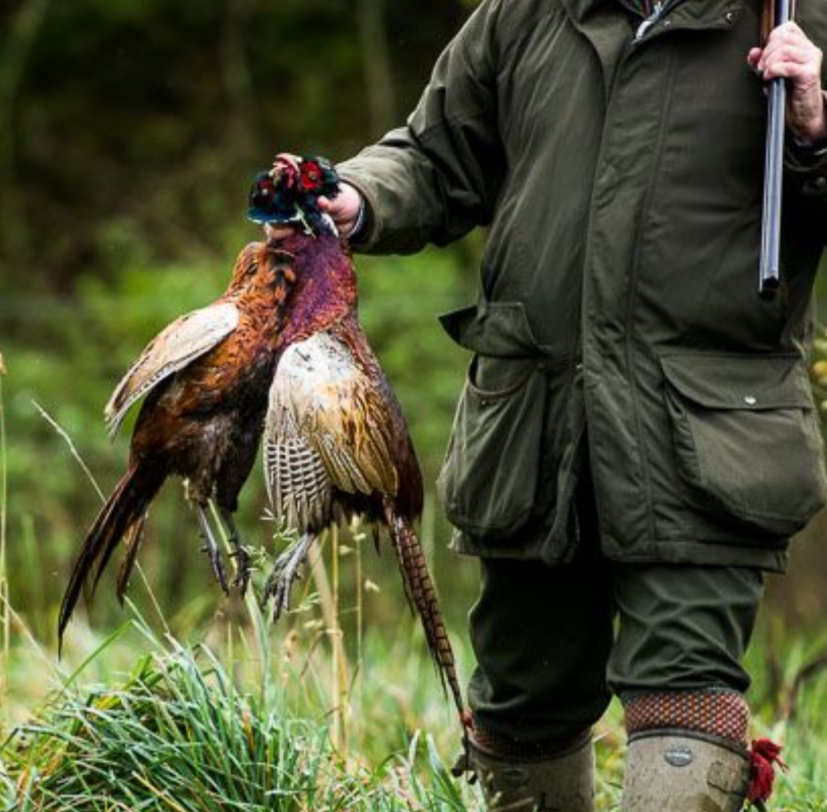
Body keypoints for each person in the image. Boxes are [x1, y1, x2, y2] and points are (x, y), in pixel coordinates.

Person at [271, 1, 826, 810]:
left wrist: (816, 126)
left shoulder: (802, 16)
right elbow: (434, 155)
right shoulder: (528, 12)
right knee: (524, 703)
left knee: (686, 694)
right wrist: (357, 197)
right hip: (534, 427)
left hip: (709, 438)